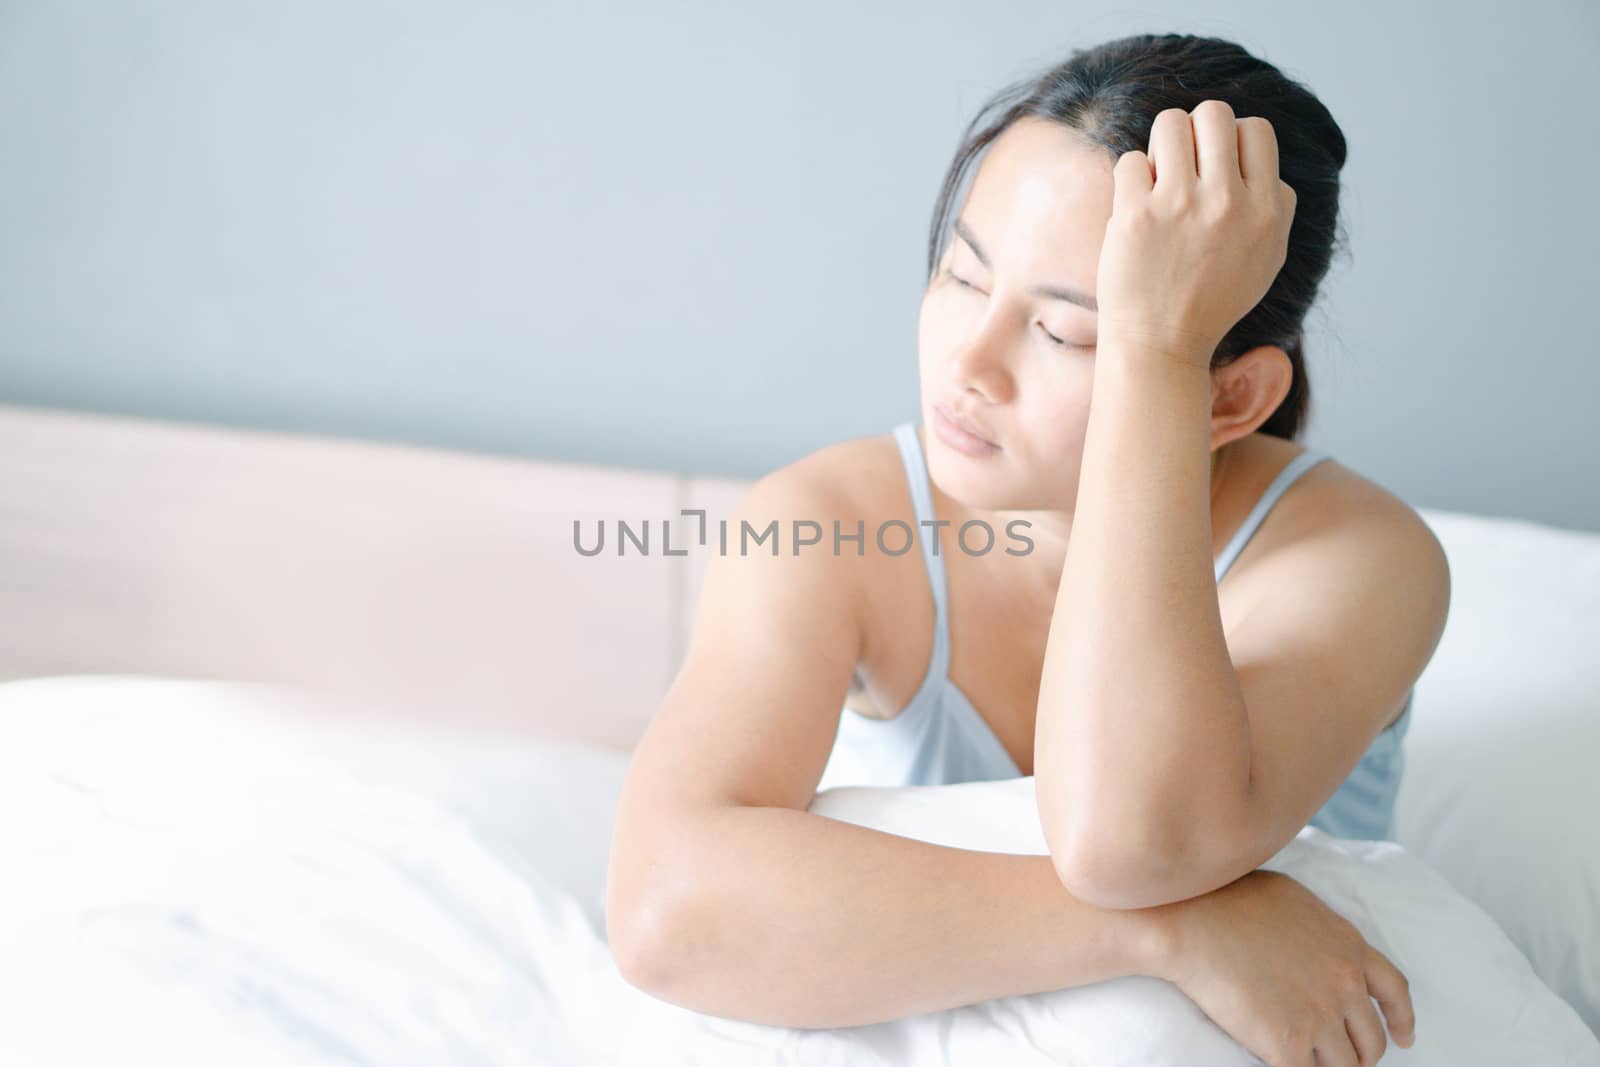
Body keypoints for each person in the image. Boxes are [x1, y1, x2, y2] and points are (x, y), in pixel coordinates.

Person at [607, 31, 1447, 1067]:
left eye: (1067, 334)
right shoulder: (831, 523)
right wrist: (1167, 930)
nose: (968, 363)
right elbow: (664, 907)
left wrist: (1159, 351)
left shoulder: (1358, 557)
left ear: (1233, 396)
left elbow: (1129, 838)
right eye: (961, 275)